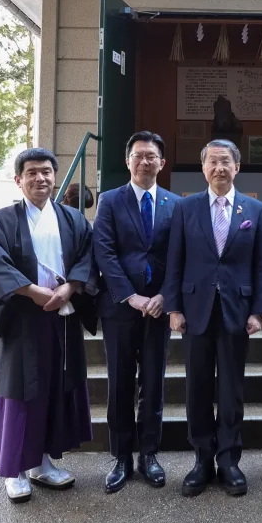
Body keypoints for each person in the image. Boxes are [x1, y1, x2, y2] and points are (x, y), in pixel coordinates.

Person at [0, 147, 99, 504]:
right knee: (19, 391)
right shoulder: (1, 221)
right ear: (18, 180)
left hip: (62, 315)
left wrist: (69, 288)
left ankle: (41, 462)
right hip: (20, 318)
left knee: (54, 388)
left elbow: (87, 258)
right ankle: (13, 470)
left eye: (46, 171)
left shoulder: (73, 220)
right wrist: (32, 291)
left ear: (55, 177)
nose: (40, 178)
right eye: (32, 173)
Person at [162, 139, 262, 497]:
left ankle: (229, 461)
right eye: (213, 161)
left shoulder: (256, 210)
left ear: (237, 167)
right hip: (195, 311)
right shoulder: (185, 207)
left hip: (237, 312)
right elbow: (175, 260)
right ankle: (202, 460)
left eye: (226, 161)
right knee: (197, 389)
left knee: (231, 390)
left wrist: (258, 311)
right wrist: (174, 308)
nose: (219, 168)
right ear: (203, 168)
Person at [92, 131, 179, 493]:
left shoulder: (176, 204)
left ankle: (149, 454)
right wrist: (131, 296)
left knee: (154, 383)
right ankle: (121, 457)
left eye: (151, 156)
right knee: (120, 382)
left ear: (162, 163)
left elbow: (180, 256)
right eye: (138, 155)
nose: (145, 161)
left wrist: (165, 296)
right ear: (128, 161)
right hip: (121, 308)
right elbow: (104, 251)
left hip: (159, 308)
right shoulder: (110, 201)